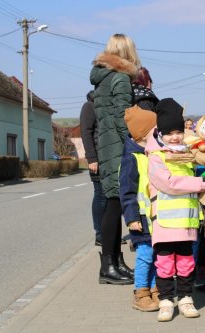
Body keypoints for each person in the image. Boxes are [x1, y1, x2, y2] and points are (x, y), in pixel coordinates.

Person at [146, 98, 205, 322]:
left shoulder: (188, 156)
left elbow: (200, 171)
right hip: (164, 221)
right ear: (161, 134)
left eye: (178, 131)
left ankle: (185, 299)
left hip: (186, 221)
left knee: (186, 262)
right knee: (164, 264)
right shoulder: (156, 157)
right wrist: (199, 184)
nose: (174, 137)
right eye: (169, 133)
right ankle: (166, 301)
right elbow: (168, 183)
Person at [90, 33, 140, 285]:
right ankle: (107, 267)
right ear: (128, 53)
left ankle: (115, 262)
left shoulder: (102, 78)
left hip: (106, 148)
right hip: (118, 149)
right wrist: (137, 143)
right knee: (114, 205)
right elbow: (124, 119)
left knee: (114, 204)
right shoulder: (120, 78)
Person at [120, 106, 159, 311]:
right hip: (141, 218)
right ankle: (140, 292)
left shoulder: (152, 153)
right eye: (155, 131)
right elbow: (126, 192)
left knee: (155, 254)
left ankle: (154, 290)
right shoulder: (131, 159)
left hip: (155, 217)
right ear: (143, 135)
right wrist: (131, 218)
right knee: (145, 255)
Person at [79, 90, 106, 246]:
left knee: (110, 199)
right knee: (101, 195)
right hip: (97, 159)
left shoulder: (108, 105)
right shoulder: (90, 106)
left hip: (109, 158)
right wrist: (92, 158)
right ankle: (100, 234)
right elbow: (86, 133)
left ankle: (108, 233)